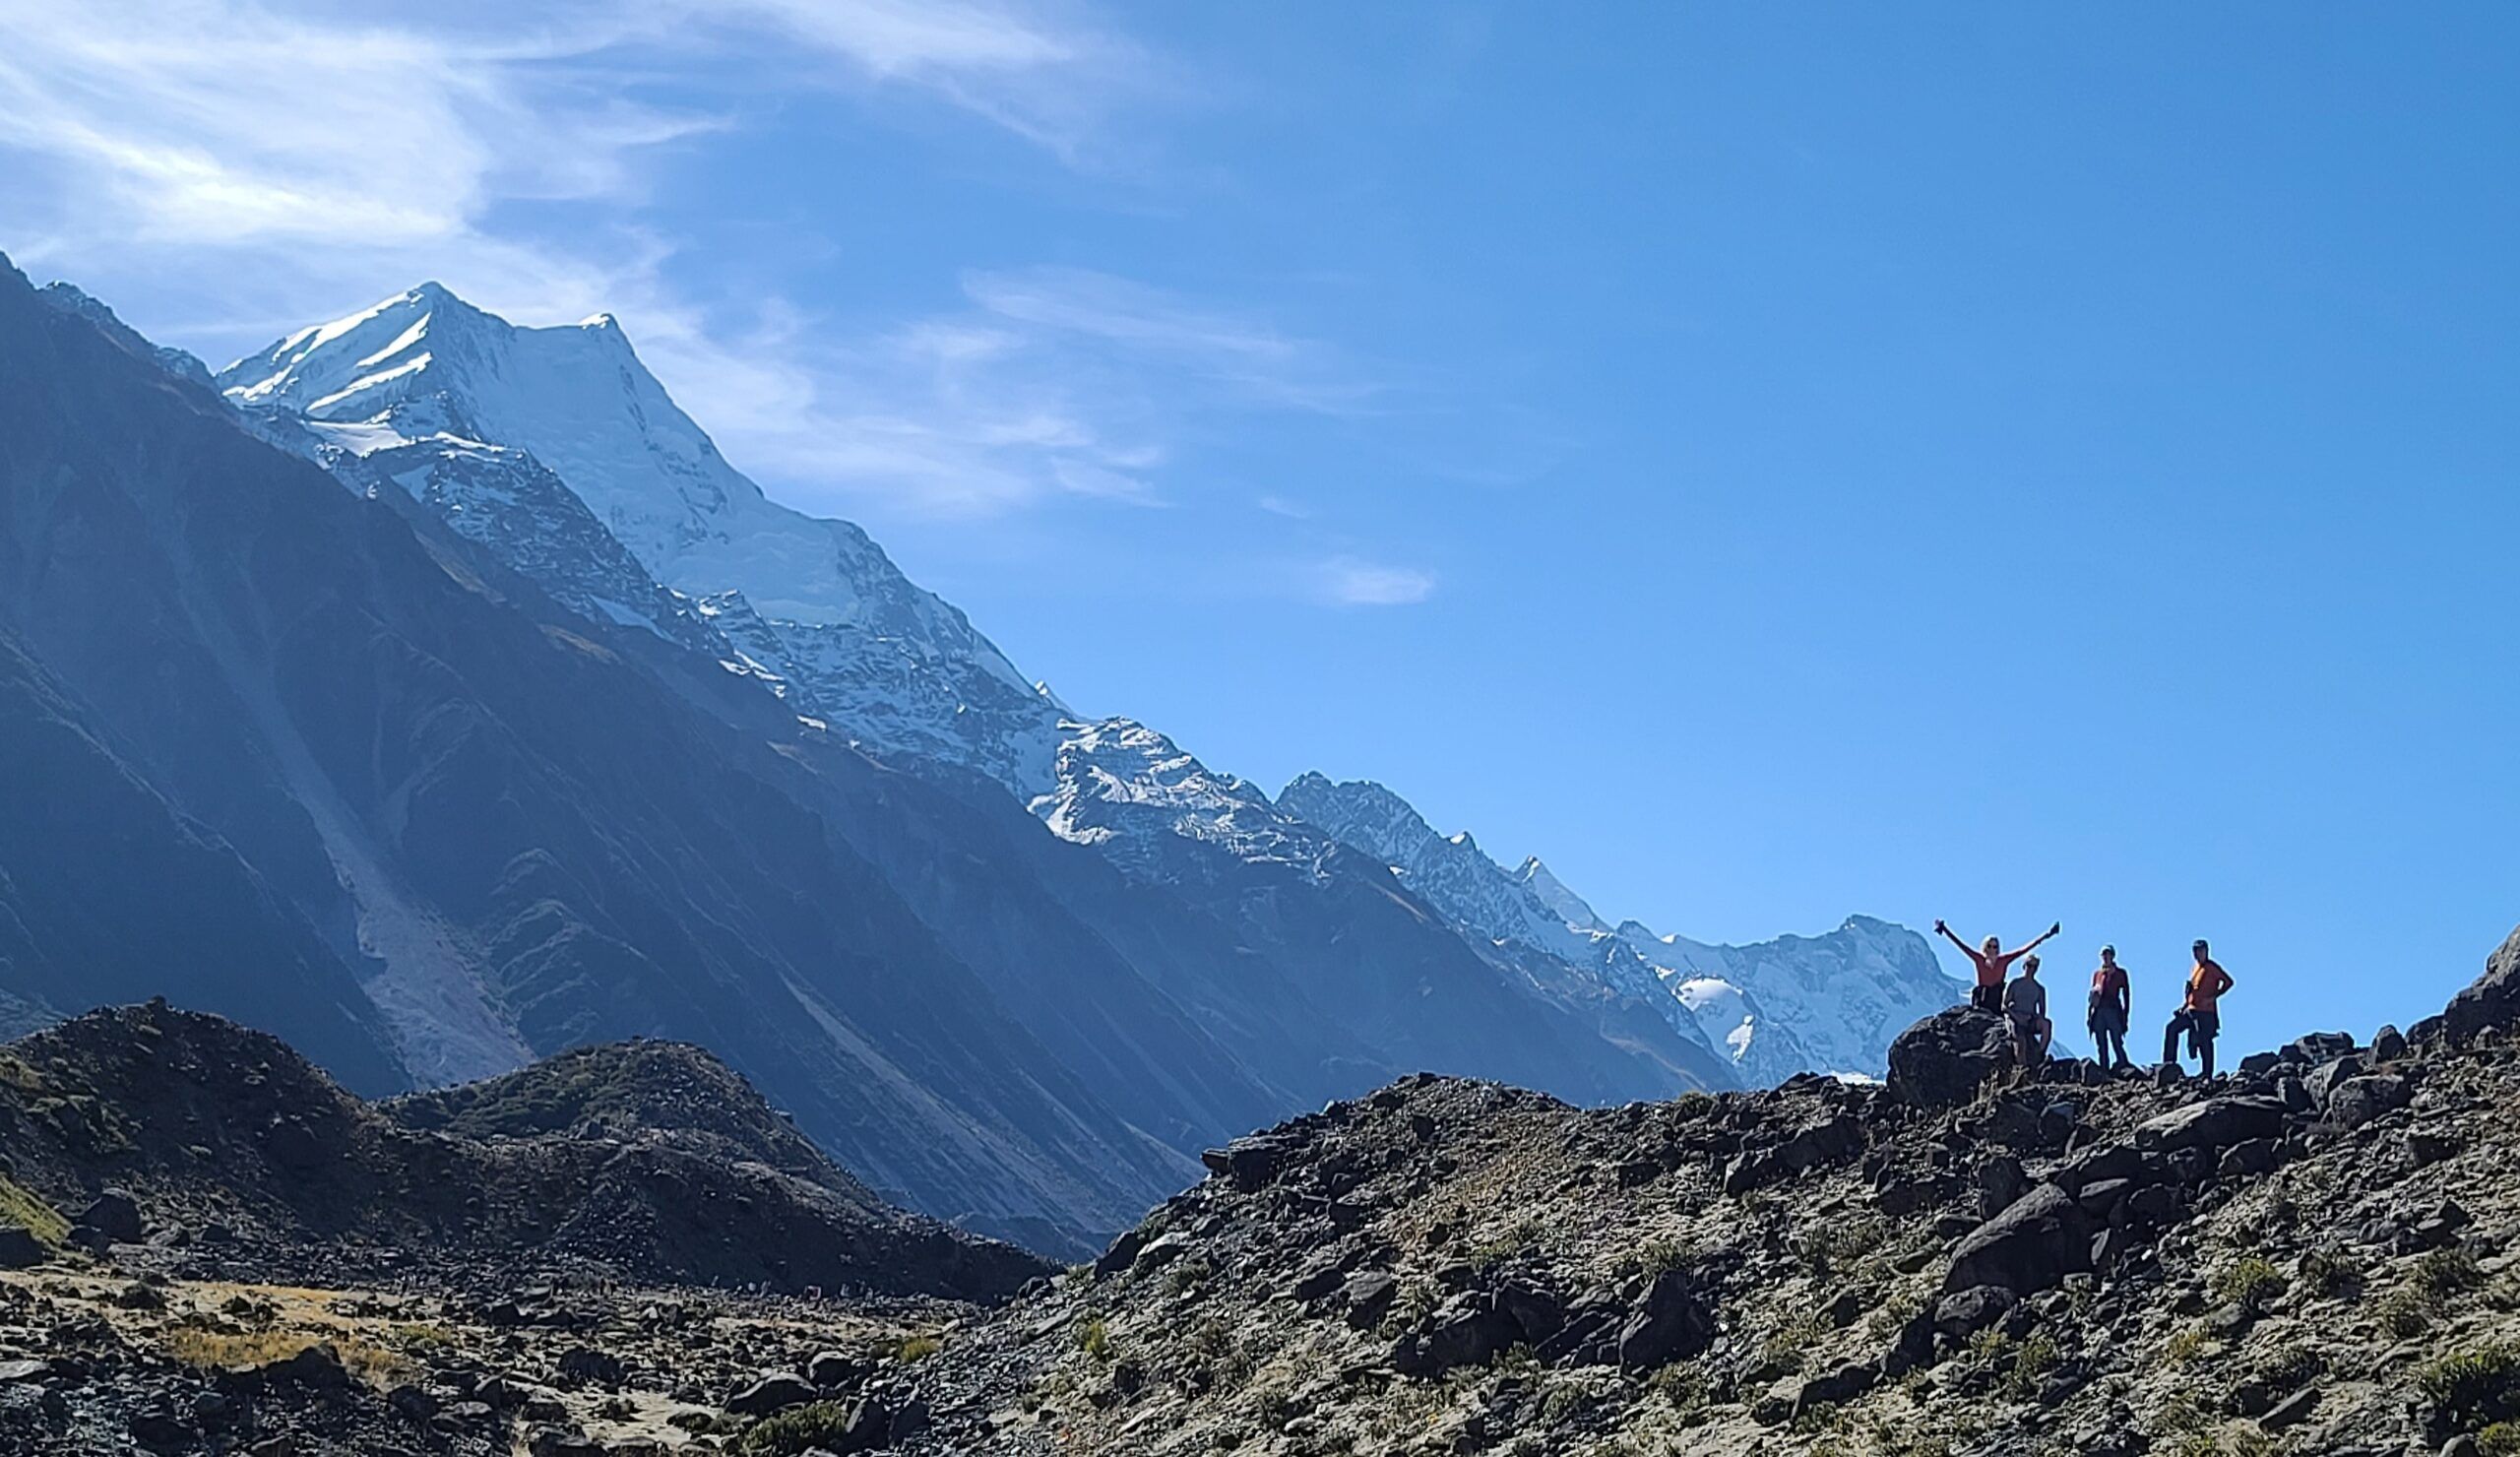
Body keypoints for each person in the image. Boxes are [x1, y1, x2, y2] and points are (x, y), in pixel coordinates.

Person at [1934, 919, 2062, 1013]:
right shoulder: (1979, 959)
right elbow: (1961, 945)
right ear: (1985, 947)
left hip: (1998, 997)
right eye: (1989, 946)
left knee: (1999, 991)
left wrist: (2047, 935)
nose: (1992, 949)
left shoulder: (2003, 960)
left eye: (1994, 946)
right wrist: (1945, 930)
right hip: (1983, 998)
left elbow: (2024, 949)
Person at [2162, 938, 2236, 1078]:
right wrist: (2183, 1006)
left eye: (2200, 951)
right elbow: (2192, 991)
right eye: (2195, 951)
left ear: (2206, 952)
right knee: (2171, 1028)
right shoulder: (2195, 968)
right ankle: (2169, 1064)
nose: (2197, 954)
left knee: (2205, 1040)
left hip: (2206, 1012)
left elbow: (2228, 982)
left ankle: (2207, 1073)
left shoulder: (2212, 968)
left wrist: (2214, 996)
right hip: (2191, 1010)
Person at [2003, 953, 2052, 1072]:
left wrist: (2033, 1017)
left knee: (2047, 1024)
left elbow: (2042, 1012)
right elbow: (2004, 1005)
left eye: (2035, 967)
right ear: (2024, 966)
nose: (2031, 969)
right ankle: (2022, 1068)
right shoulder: (2014, 983)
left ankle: (2040, 1054)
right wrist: (2016, 1016)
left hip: (2029, 1019)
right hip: (2014, 1017)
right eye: (2029, 965)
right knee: (2021, 1041)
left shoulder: (2039, 989)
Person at [2087, 945, 2133, 1072]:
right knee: (2101, 1043)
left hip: (2113, 1009)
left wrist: (2125, 1014)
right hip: (2099, 1010)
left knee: (2116, 1040)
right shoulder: (2097, 974)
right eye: (2104, 955)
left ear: (2113, 956)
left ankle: (2123, 1066)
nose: (2106, 957)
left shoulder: (2120, 974)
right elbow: (2092, 996)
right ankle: (2104, 1069)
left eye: (2108, 955)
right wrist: (2089, 1014)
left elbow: (2126, 995)